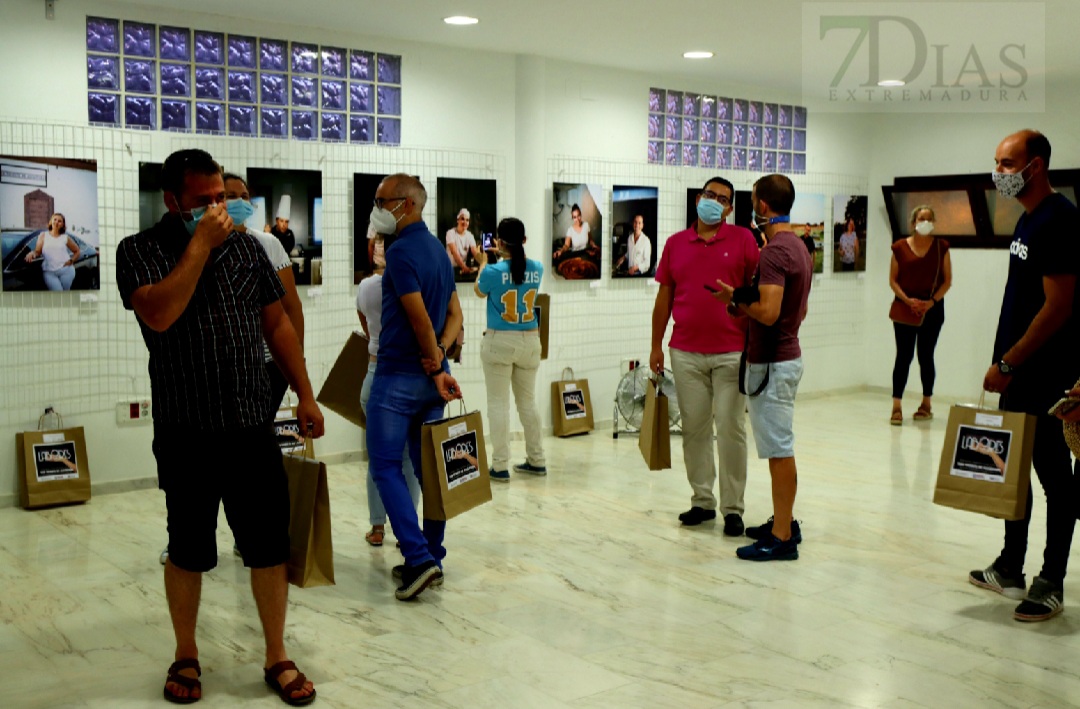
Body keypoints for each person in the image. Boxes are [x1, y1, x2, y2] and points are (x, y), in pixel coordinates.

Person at [116, 149, 321, 704]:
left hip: (251, 424)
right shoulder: (139, 251)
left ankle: (276, 652)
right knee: (187, 548)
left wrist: (304, 392)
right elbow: (159, 313)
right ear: (172, 200)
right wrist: (200, 245)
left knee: (267, 546)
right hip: (186, 431)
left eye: (221, 198)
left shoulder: (249, 249)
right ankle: (187, 653)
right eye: (202, 200)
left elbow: (275, 322)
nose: (215, 209)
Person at [970, 129, 1080, 622]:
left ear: (1036, 166)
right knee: (1013, 471)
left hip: (1046, 376)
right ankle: (1010, 565)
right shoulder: (1028, 221)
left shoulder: (1061, 221)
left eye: (1008, 163)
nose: (1000, 173)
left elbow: (1057, 309)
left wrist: (1010, 362)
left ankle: (1051, 579)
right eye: (997, 162)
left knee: (1056, 478)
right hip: (1016, 374)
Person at [366, 173, 463, 600]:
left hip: (398, 378)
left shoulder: (403, 252)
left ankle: (419, 559)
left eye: (381, 201)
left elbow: (418, 316)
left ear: (406, 205)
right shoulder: (439, 253)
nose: (377, 209)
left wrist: (435, 359)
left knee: (386, 467)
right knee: (429, 473)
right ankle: (432, 557)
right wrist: (440, 358)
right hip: (427, 383)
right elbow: (455, 315)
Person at [650, 177, 759, 536]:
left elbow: (758, 293)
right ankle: (702, 501)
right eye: (709, 195)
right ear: (699, 199)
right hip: (685, 352)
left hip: (732, 351)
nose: (714, 202)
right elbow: (664, 297)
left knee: (731, 429)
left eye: (722, 199)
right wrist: (655, 344)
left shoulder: (744, 239)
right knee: (695, 429)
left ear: (729, 208)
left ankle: (733, 508)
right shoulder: (676, 244)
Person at [714, 173, 812, 562]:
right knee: (779, 447)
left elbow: (769, 312)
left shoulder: (773, 252)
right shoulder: (798, 245)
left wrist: (736, 298)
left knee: (778, 450)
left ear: (763, 206)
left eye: (752, 200)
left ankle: (782, 536)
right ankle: (782, 521)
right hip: (784, 357)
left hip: (773, 361)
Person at [356, 238, 421, 546]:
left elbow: (368, 328)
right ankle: (405, 530)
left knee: (379, 460)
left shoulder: (367, 287)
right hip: (410, 377)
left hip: (375, 372)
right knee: (408, 460)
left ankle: (377, 526)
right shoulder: (413, 284)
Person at [473, 217, 547, 482]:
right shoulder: (537, 268)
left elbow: (479, 291)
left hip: (499, 341)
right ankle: (537, 459)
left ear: (499, 242)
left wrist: (484, 261)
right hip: (529, 340)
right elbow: (518, 271)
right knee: (527, 402)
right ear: (524, 240)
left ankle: (500, 465)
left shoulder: (492, 271)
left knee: (498, 404)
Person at [224, 173, 306, 408]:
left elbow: (292, 307)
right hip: (226, 366)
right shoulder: (205, 246)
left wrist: (297, 362)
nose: (239, 202)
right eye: (231, 196)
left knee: (260, 433)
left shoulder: (268, 243)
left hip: (270, 363)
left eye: (244, 197)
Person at [888, 205, 952, 425]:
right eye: (920, 218)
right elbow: (893, 280)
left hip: (932, 310)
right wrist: (908, 300)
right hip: (905, 309)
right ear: (913, 222)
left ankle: (926, 403)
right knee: (903, 356)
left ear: (933, 222)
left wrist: (930, 302)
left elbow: (947, 280)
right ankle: (896, 406)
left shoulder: (941, 247)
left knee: (926, 356)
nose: (924, 222)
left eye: (928, 218)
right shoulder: (899, 247)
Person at [25, 213, 80, 290]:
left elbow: (77, 251)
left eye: (59, 221)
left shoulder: (65, 237)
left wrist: (71, 260)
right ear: (51, 221)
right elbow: (37, 251)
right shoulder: (43, 235)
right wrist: (32, 253)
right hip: (49, 272)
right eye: (55, 219)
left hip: (66, 271)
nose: (56, 222)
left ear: (63, 225)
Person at [445, 208, 480, 276]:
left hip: (462, 269)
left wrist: (483, 263)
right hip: (450, 269)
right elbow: (454, 252)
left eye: (467, 220)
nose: (465, 222)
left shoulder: (470, 236)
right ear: (458, 220)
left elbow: (475, 252)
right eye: (462, 219)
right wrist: (464, 267)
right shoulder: (450, 233)